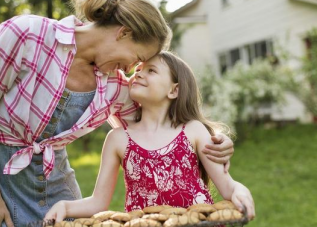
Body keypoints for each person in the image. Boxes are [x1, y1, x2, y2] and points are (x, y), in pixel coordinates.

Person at [0, 1, 235, 226]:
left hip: (59, 191)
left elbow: (161, 131)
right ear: (124, 33)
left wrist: (214, 140)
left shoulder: (116, 88)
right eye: (137, 59)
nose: (131, 70)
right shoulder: (27, 35)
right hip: (0, 183)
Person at [44, 51, 255, 222]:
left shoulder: (193, 130)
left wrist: (241, 191)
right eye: (138, 69)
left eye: (151, 70)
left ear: (174, 90)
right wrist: (64, 205)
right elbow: (99, 202)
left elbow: (228, 186)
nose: (138, 74)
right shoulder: (118, 139)